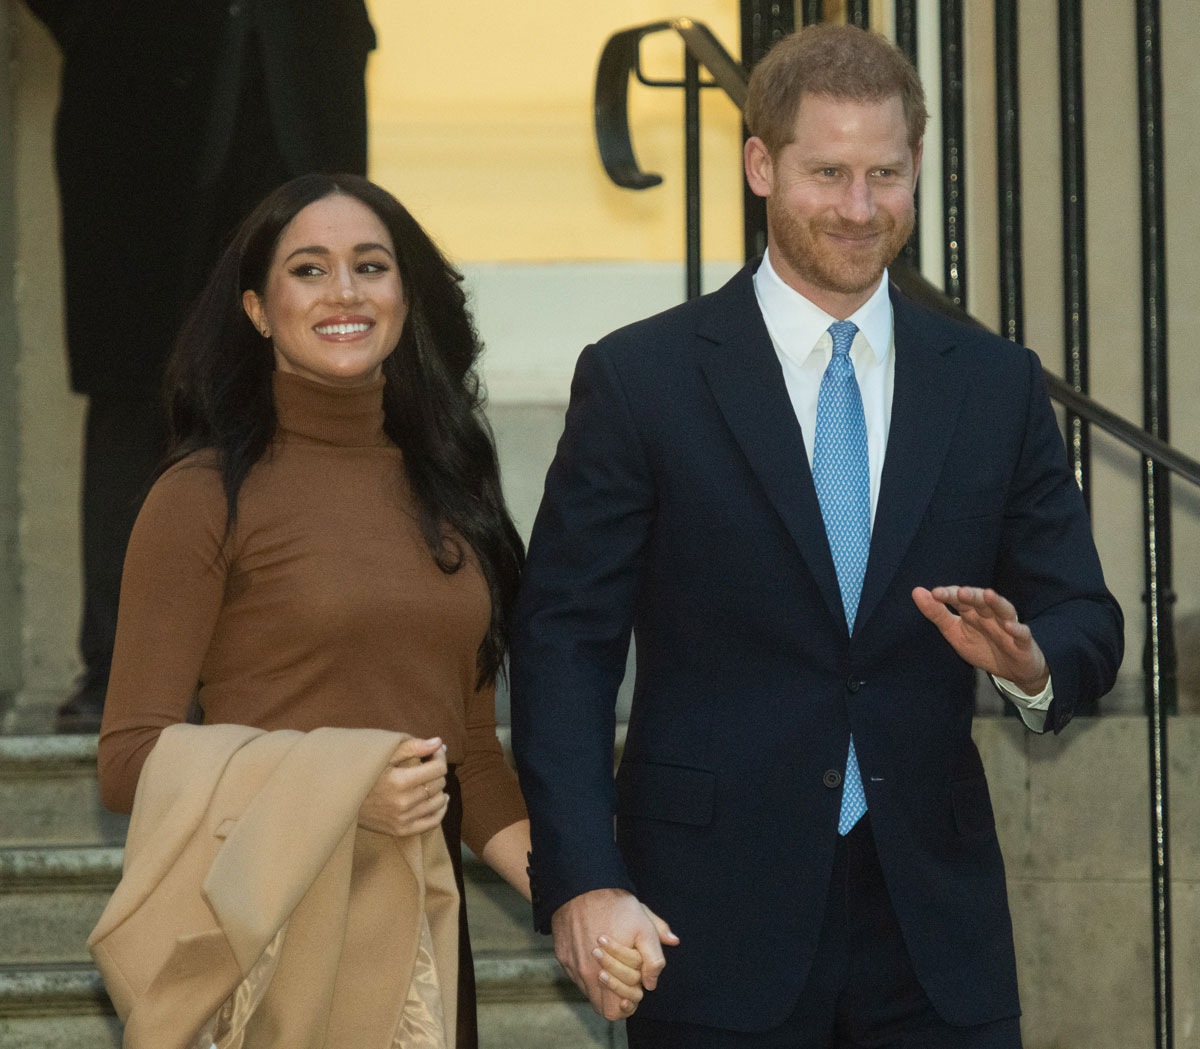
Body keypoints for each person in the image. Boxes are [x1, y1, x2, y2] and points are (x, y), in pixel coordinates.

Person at [510, 23, 1123, 1049]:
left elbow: (1086, 618)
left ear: (917, 167)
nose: (858, 206)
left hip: (936, 928)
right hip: (708, 919)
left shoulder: (994, 384)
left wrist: (1031, 659)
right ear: (760, 164)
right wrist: (582, 877)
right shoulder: (642, 379)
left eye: (886, 173)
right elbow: (564, 644)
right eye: (828, 172)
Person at [96, 173, 644, 1045]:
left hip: (422, 942)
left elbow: (465, 756)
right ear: (256, 307)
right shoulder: (200, 496)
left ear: (404, 293)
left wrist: (584, 897)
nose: (344, 292)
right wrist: (345, 790)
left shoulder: (450, 490)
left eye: (370, 265)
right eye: (308, 270)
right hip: (267, 942)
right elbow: (128, 759)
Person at [22, 0, 377, 733]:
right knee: (135, 388)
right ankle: (122, 671)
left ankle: (300, 661)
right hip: (137, 91)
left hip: (299, 78)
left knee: (309, 379)